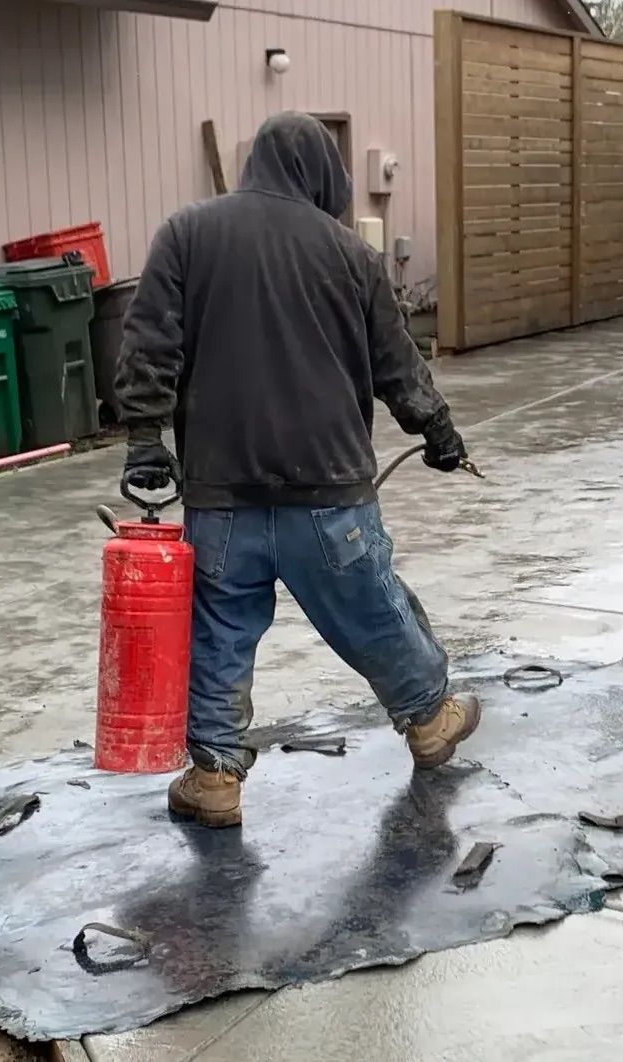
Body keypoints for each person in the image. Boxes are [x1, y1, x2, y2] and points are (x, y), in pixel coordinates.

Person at [114, 111, 480, 829]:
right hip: (329, 495)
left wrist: (143, 440)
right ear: (322, 176)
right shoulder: (348, 253)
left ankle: (215, 776)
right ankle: (431, 722)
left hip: (223, 496)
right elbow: (396, 362)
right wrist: (437, 431)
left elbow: (148, 342)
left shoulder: (187, 234)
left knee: (220, 630)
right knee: (374, 611)